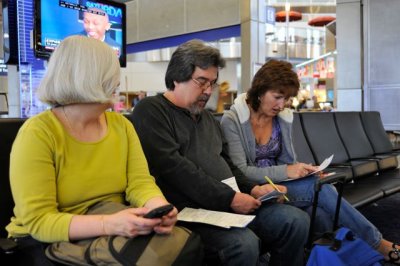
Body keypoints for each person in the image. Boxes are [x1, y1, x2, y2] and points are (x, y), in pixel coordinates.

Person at [6, 36, 201, 265]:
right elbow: (39, 222)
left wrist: (157, 207)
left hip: (111, 225)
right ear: (91, 77)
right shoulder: (39, 133)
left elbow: (140, 183)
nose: (117, 79)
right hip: (46, 239)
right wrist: (109, 224)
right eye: (112, 71)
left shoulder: (121, 126)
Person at [130, 39, 310, 266]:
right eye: (201, 82)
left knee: (295, 221)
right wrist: (230, 198)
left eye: (212, 83)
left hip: (225, 206)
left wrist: (253, 188)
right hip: (187, 213)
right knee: (243, 244)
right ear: (177, 76)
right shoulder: (151, 110)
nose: (208, 91)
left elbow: (228, 164)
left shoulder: (207, 119)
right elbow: (173, 167)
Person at [220, 59, 400, 264]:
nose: (281, 104)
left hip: (283, 188)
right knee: (322, 194)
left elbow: (289, 161)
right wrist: (288, 171)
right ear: (260, 91)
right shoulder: (233, 120)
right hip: (254, 189)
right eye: (277, 97)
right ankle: (379, 245)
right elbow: (240, 172)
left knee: (321, 205)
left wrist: (305, 171)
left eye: (286, 98)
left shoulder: (282, 119)